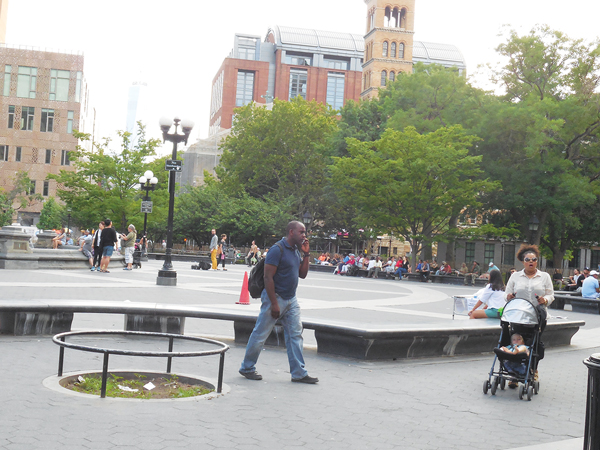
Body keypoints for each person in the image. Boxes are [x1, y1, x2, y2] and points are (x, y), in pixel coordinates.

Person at [239, 221, 318, 384]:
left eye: (305, 232)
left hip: (291, 300)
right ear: (291, 232)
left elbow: (302, 275)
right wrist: (274, 303)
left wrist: (306, 254)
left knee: (295, 335)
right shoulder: (277, 249)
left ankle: (299, 373)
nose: (304, 235)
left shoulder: (296, 250)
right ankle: (247, 367)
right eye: (301, 232)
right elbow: (268, 277)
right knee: (261, 333)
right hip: (274, 297)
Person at [505, 244, 554, 382]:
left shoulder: (544, 276)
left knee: (534, 344)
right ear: (522, 261)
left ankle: (533, 369)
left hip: (538, 316)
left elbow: (551, 295)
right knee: (517, 342)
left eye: (534, 259)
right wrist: (508, 297)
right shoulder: (515, 276)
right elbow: (506, 293)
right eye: (528, 259)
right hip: (518, 316)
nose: (531, 262)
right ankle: (514, 372)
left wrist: (545, 300)